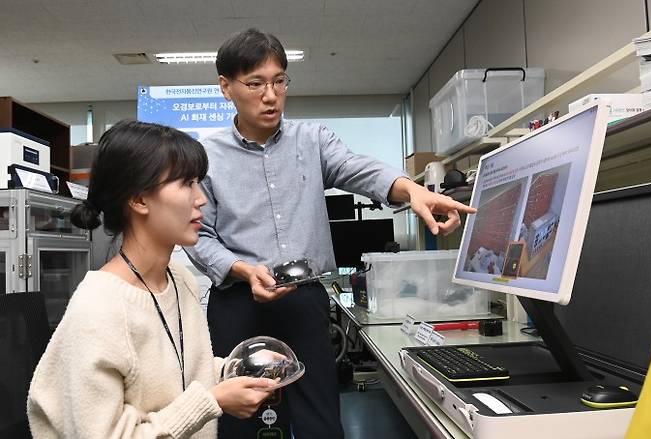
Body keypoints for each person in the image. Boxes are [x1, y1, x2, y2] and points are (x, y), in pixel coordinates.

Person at [186, 28, 477, 438]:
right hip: (238, 302)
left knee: (320, 422)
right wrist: (243, 271)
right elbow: (198, 235)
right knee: (242, 425)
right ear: (226, 87)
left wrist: (412, 190)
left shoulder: (313, 139)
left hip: (304, 301)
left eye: (279, 81)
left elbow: (358, 169)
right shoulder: (206, 155)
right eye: (255, 84)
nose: (270, 95)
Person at [27, 120, 278, 438]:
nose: (201, 198)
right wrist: (212, 400)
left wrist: (238, 367)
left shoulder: (179, 279)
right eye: (187, 183)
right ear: (139, 200)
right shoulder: (98, 309)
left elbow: (179, 375)